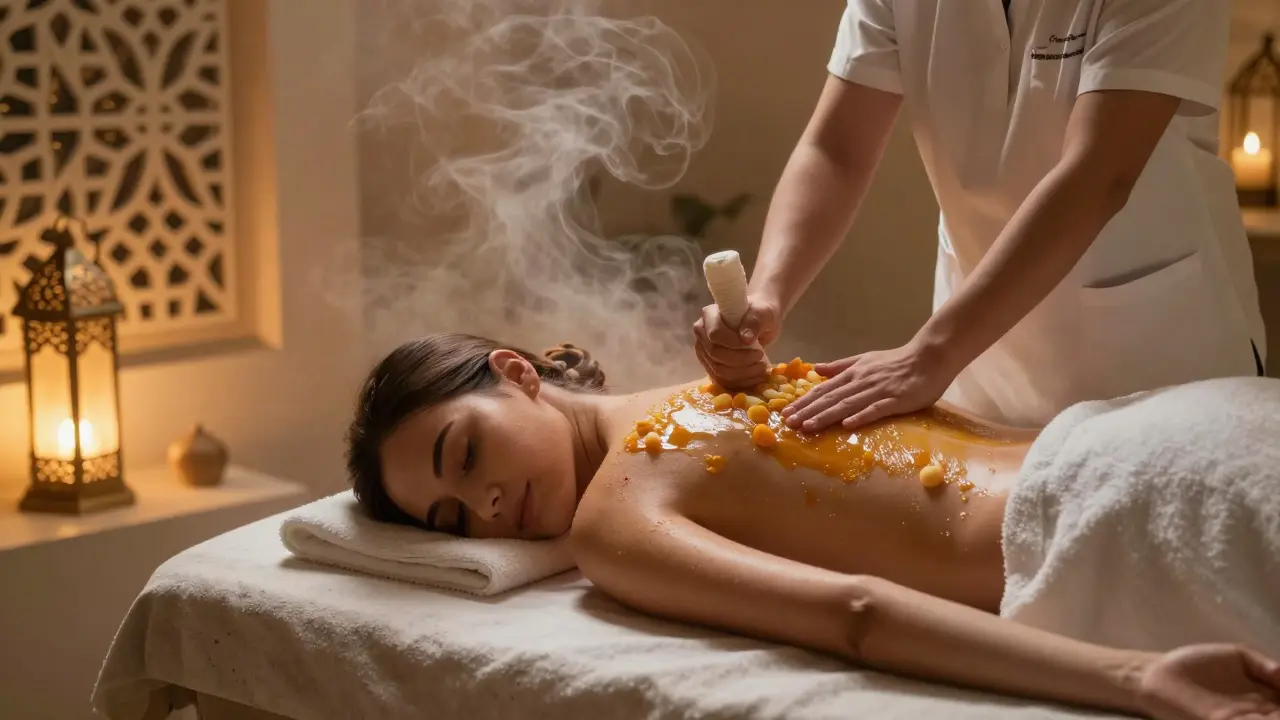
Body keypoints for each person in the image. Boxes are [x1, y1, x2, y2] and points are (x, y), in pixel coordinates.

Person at [345, 333, 1280, 719]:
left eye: (465, 458)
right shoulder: (707, 402)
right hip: (1175, 435)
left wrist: (1137, 679)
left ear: (515, 374)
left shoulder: (624, 503)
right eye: (451, 521)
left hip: (1119, 505)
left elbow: (857, 614)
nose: (487, 509)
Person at [693, 0, 1269, 432]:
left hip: (1155, 367)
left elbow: (1098, 174)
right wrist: (766, 297)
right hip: (978, 360)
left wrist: (929, 353)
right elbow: (837, 148)